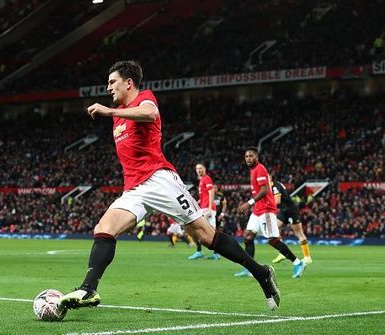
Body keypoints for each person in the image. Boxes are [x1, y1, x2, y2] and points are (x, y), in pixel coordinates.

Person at [58, 61, 280, 313]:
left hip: (159, 180)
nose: (108, 87)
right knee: (104, 229)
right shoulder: (119, 115)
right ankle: (89, 289)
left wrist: (109, 111)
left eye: (112, 82)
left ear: (128, 82)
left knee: (204, 235)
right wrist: (114, 113)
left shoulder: (143, 98)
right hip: (134, 188)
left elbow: (150, 114)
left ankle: (261, 273)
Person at [236, 147, 305, 278]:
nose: (248, 158)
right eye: (246, 156)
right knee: (248, 237)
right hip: (258, 210)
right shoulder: (253, 171)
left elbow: (265, 190)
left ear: (257, 157)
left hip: (266, 209)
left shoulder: (260, 169)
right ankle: (250, 269)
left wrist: (249, 203)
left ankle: (298, 262)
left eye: (251, 156)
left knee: (273, 240)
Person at [270, 179, 313, 264]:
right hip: (283, 211)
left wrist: (266, 205)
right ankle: (282, 253)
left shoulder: (274, 185)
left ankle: (307, 257)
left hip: (290, 210)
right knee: (274, 228)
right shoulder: (272, 185)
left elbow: (277, 200)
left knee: (299, 233)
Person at [188, 163, 220, 260]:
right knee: (199, 230)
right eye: (197, 168)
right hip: (203, 208)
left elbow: (211, 193)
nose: (199, 170)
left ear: (204, 169)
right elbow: (205, 196)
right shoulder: (202, 180)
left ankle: (211, 253)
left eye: (200, 168)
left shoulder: (207, 179)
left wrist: (210, 209)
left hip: (208, 209)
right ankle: (201, 251)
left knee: (210, 232)